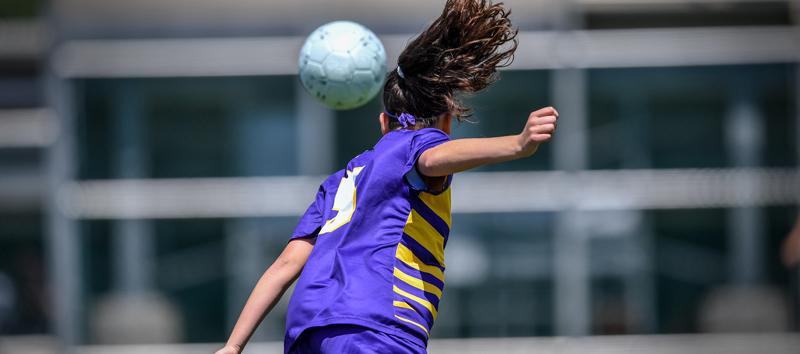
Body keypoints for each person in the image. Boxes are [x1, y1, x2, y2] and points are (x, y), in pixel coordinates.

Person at [216, 1, 558, 353]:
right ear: (446, 122)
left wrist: (233, 346)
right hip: (377, 325)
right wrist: (516, 145)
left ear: (383, 123)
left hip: (309, 330)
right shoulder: (417, 144)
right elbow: (434, 158)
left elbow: (286, 264)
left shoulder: (339, 182)